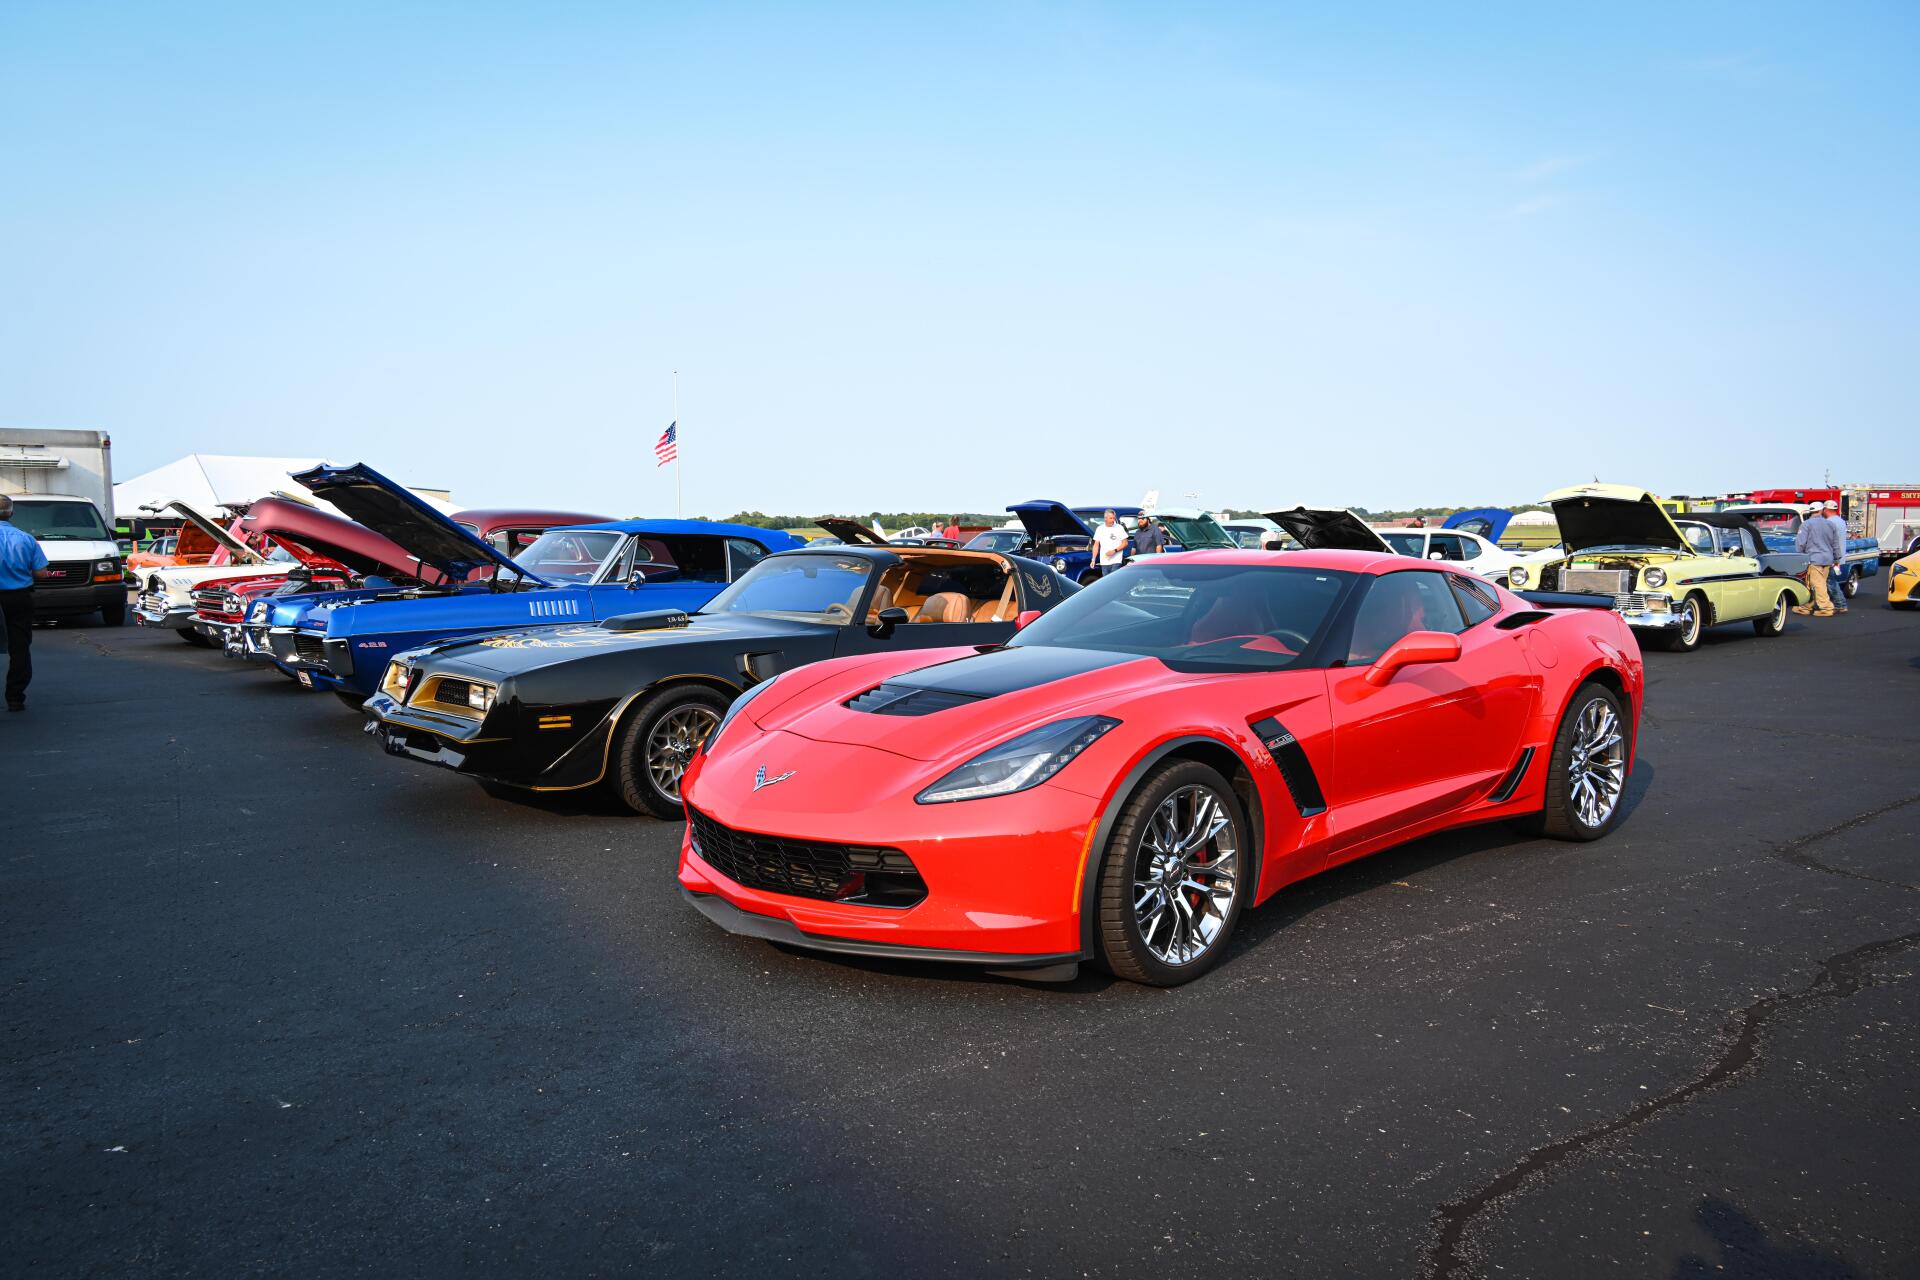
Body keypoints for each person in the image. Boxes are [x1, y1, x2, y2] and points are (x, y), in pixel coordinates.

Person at [0, 494, 54, 711]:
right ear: (11, 513)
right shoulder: (26, 538)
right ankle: (15, 696)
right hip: (18, 598)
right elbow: (41, 572)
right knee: (19, 648)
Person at [1793, 501, 1841, 618]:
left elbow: (1800, 544)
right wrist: (1836, 558)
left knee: (1817, 585)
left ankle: (1826, 608)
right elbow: (1835, 544)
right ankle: (1806, 606)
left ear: (1810, 511)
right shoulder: (1830, 524)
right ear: (1822, 510)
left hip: (1814, 559)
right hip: (1828, 559)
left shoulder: (1806, 525)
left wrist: (1800, 557)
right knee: (1816, 584)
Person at [1823, 500, 1851, 613]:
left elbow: (1828, 541)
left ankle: (1840, 604)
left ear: (1826, 509)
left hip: (1831, 557)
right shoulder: (1841, 521)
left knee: (1831, 581)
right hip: (1839, 557)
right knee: (1831, 580)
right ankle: (1832, 603)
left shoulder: (1828, 522)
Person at [1088, 509, 1129, 580]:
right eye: (1111, 518)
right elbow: (1096, 545)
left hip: (1116, 560)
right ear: (1105, 518)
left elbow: (1125, 543)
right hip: (1104, 561)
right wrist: (1093, 559)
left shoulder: (1119, 527)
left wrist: (1114, 551)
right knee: (1107, 582)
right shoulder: (1100, 529)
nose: (1113, 520)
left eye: (1114, 518)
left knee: (1114, 580)